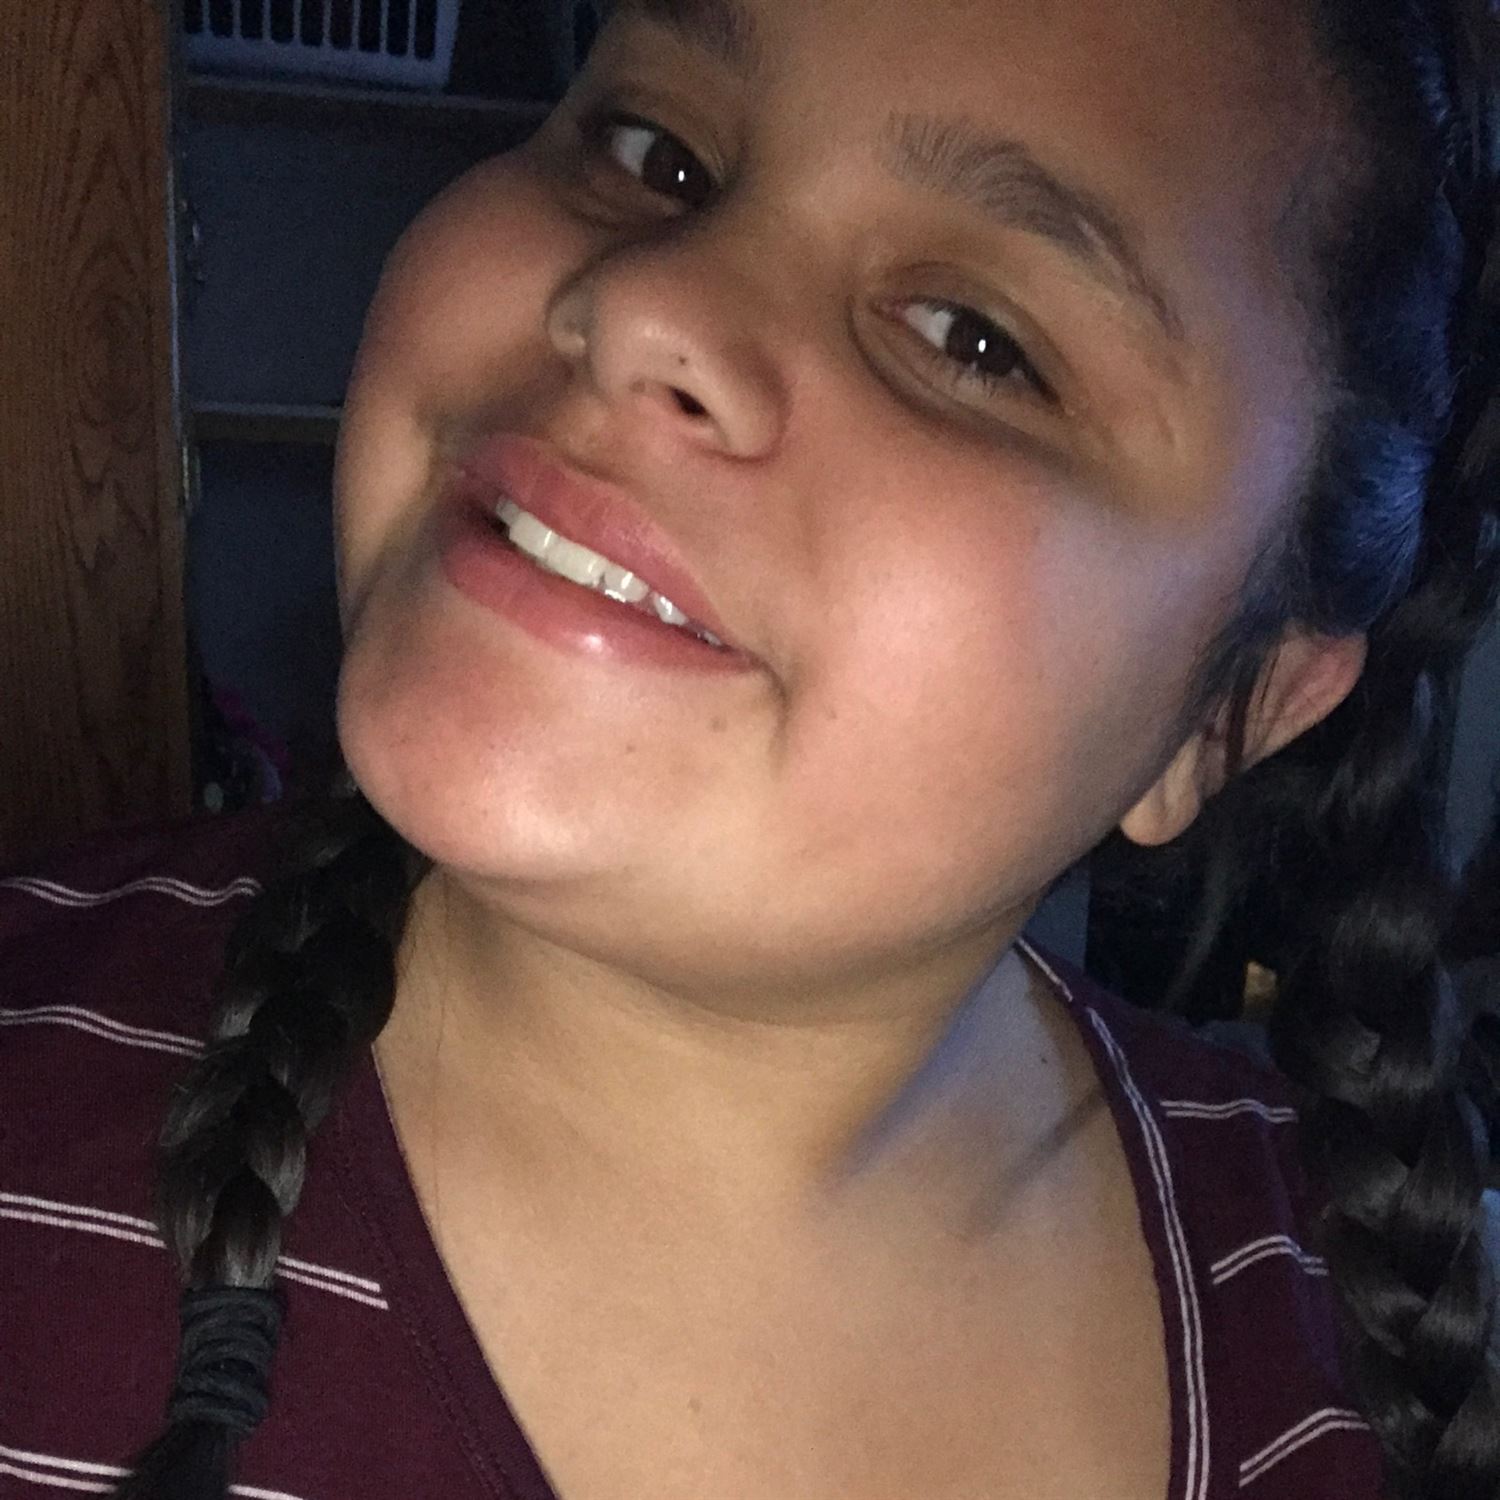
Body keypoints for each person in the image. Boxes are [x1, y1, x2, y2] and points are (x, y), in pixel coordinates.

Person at [3, 0, 1500, 1496]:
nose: (645, 303)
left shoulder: (1348, 1340)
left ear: (1234, 710)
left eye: (974, 342)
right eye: (653, 149)